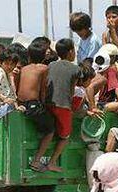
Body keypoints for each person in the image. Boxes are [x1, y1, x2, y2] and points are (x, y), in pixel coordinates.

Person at [16, 41, 55, 172]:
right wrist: (45, 104)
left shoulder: (24, 68)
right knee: (50, 130)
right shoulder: (44, 68)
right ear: (44, 55)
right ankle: (36, 160)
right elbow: (43, 90)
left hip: (21, 104)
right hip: (34, 105)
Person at [45, 38, 80, 172]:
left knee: (51, 131)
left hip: (48, 104)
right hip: (63, 106)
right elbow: (72, 90)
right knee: (65, 136)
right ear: (71, 51)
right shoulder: (75, 69)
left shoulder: (51, 65)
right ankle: (52, 162)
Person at [92, 44, 118, 112]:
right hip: (106, 103)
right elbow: (116, 88)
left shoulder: (103, 69)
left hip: (101, 102)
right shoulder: (111, 70)